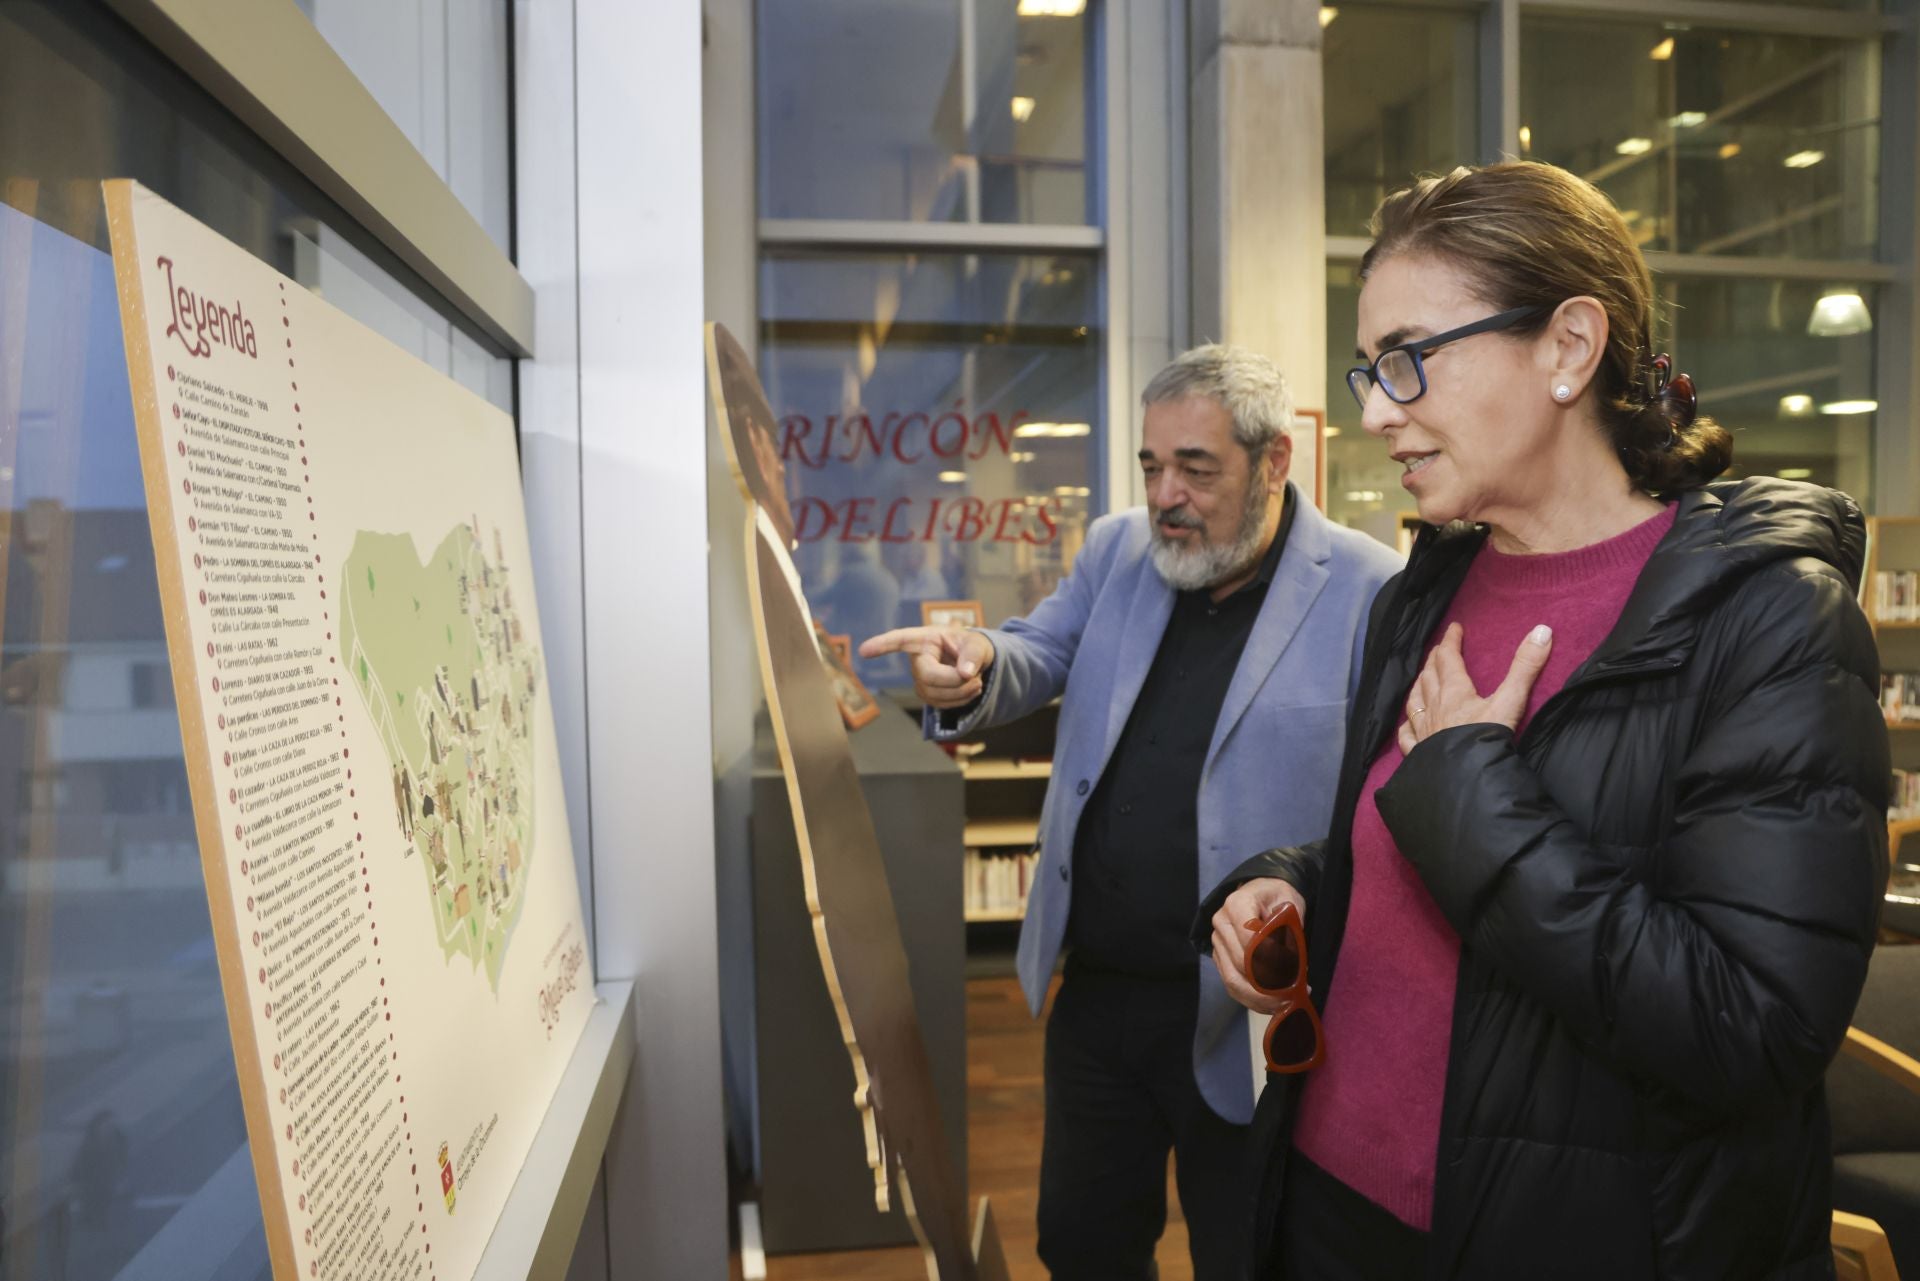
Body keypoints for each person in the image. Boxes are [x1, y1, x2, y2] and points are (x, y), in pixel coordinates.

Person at [1197, 161, 1890, 1281]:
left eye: (1409, 360)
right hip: (1324, 1199)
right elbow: (1417, 838)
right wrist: (1298, 886)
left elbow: (1751, 1024)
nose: (1377, 410)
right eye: (1369, 368)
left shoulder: (1768, 625)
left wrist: (1471, 790)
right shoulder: (1421, 591)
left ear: (1569, 347)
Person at [862, 346, 1402, 1280]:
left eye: (1197, 467)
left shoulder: (1369, 590)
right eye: (1153, 465)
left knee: (1247, 1252)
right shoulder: (1121, 547)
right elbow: (1039, 645)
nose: (1166, 494)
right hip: (1101, 995)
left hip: (1248, 1014)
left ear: (1274, 463)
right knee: (1083, 1243)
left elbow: (1385, 802)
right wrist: (977, 660)